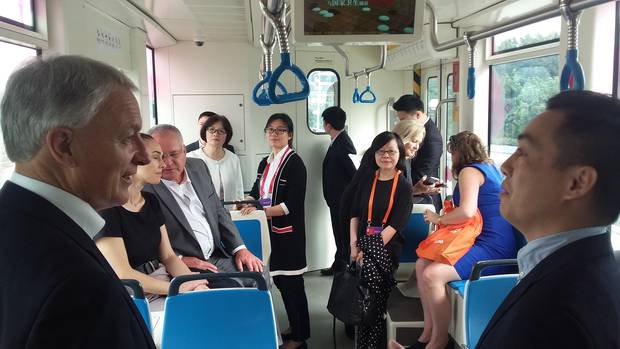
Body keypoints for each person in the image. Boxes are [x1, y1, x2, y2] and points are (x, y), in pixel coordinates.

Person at [0, 55, 155, 348]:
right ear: (64, 146)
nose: (143, 155)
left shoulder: (15, 225)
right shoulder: (78, 288)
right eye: (126, 137)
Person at [476, 91, 620, 349]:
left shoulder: (557, 315)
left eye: (524, 152)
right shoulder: (582, 273)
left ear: (577, 183)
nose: (506, 165)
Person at [415, 131, 517, 349]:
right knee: (421, 264)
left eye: (453, 154)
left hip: (492, 247)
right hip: (485, 242)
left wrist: (438, 218)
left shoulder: (469, 171)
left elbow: (467, 212)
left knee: (432, 275)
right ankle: (426, 334)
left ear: (460, 152)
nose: (452, 160)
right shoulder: (489, 168)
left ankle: (438, 341)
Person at [95, 133, 208, 311]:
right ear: (130, 159)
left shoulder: (151, 201)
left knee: (208, 306)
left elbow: (169, 256)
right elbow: (123, 273)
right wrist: (177, 288)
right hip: (133, 295)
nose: (163, 164)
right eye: (156, 157)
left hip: (162, 281)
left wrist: (194, 284)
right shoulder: (106, 207)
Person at [143, 124, 263, 281]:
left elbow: (219, 211)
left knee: (260, 275)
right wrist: (178, 260)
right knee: (232, 290)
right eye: (159, 156)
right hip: (184, 264)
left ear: (184, 151)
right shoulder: (145, 188)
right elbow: (144, 239)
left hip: (216, 254)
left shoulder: (198, 167)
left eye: (173, 154)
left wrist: (240, 249)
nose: (167, 162)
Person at [241, 113, 310, 349]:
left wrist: (260, 212)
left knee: (292, 284)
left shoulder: (295, 163)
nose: (275, 134)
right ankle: (295, 325)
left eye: (281, 130)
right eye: (270, 129)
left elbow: (291, 205)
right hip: (268, 233)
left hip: (287, 234)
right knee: (281, 282)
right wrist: (247, 201)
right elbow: (256, 190)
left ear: (290, 135)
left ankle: (300, 337)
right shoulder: (265, 162)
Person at [349, 131, 414, 349]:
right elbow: (355, 215)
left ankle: (373, 341)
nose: (386, 155)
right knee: (363, 290)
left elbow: (394, 226)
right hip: (360, 246)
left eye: (391, 151)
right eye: (381, 151)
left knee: (370, 287)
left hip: (386, 248)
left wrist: (365, 251)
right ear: (374, 154)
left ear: (400, 154)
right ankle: (363, 338)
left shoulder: (404, 186)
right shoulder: (367, 180)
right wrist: (353, 246)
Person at [320, 106, 357, 276]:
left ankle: (343, 264)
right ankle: (340, 262)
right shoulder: (338, 140)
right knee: (339, 232)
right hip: (336, 199)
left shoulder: (344, 143)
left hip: (343, 200)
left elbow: (353, 173)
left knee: (342, 233)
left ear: (328, 125)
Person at [393, 94, 443, 212]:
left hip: (423, 200)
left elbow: (422, 172)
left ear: (418, 115)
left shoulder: (432, 138)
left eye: (403, 119)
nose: (401, 124)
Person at [187, 114, 244, 209]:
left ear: (227, 135)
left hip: (229, 213)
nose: (215, 134)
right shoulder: (191, 158)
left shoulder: (233, 158)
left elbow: (239, 190)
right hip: (202, 213)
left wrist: (239, 206)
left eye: (221, 131)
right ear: (204, 132)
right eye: (211, 130)